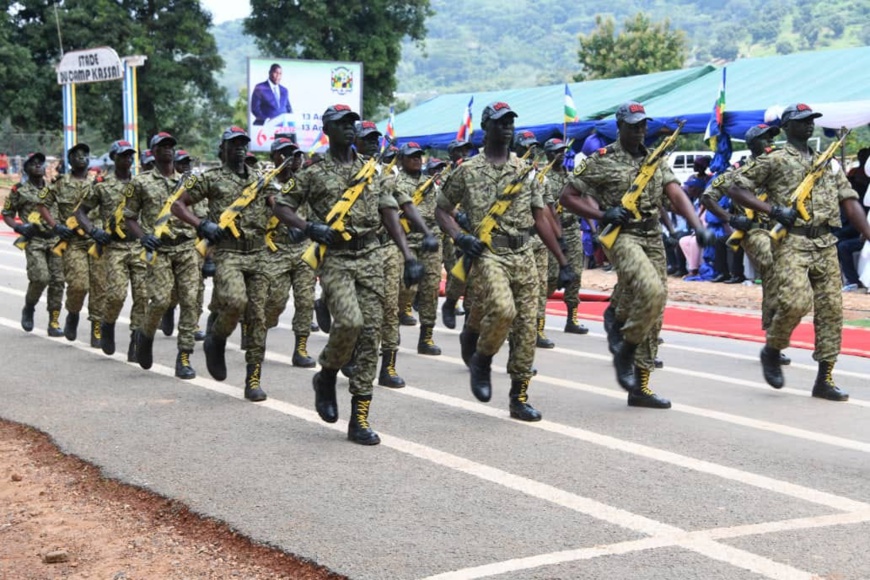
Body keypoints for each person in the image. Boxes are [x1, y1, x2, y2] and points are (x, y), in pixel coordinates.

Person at [271, 104, 423, 445]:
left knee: (371, 335)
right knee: (350, 323)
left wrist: (408, 254)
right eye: (343, 124)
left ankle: (359, 418)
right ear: (328, 130)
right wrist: (310, 227)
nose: (351, 128)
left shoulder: (372, 170)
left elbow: (389, 212)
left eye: (354, 122)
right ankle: (326, 374)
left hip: (370, 255)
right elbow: (282, 205)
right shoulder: (312, 172)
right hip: (336, 258)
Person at [560, 102, 713, 409]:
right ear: (620, 127)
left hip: (651, 235)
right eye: (633, 125)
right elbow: (567, 196)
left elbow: (674, 193)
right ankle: (627, 349)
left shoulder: (655, 159)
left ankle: (640, 385)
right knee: (650, 289)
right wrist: (602, 212)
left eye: (643, 125)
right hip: (621, 236)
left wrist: (697, 225)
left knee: (655, 308)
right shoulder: (601, 160)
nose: (640, 130)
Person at [436, 101, 577, 422]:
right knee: (502, 309)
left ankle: (519, 396)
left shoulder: (526, 171)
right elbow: (442, 210)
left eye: (511, 122)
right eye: (500, 122)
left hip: (524, 253)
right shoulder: (468, 170)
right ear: (486, 127)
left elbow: (540, 216)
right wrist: (459, 236)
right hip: (488, 253)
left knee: (527, 327)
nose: (508, 127)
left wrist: (562, 259)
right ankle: (482, 359)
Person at [728, 103, 870, 401]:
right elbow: (737, 188)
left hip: (825, 244)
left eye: (811, 121)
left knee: (832, 311)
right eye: (802, 121)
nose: (809, 125)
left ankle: (825, 379)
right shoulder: (774, 159)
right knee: (795, 301)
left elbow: (850, 200)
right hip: (791, 241)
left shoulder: (828, 163)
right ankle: (773, 348)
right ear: (787, 126)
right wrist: (773, 210)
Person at [171, 127, 272, 400]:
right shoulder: (210, 179)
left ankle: (253, 380)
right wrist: (202, 224)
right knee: (236, 301)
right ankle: (216, 338)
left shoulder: (260, 180)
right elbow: (177, 206)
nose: (239, 148)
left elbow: (279, 204)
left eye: (243, 144)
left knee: (257, 317)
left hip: (259, 254)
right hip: (228, 253)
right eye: (233, 144)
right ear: (223, 149)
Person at [701, 123, 792, 366]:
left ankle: (775, 338)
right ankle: (773, 340)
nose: (769, 143)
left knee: (785, 281)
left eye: (771, 139)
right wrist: (730, 218)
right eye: (764, 139)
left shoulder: (780, 167)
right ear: (752, 144)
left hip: (782, 230)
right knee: (774, 270)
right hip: (755, 232)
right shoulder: (737, 172)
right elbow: (707, 197)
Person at [124, 132, 200, 379]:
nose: (168, 150)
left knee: (190, 301)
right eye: (162, 146)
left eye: (171, 146)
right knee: (160, 301)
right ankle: (144, 335)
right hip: (159, 250)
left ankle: (184, 357)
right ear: (153, 152)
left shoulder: (188, 182)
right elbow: (129, 217)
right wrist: (143, 237)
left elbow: (199, 213)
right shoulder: (141, 182)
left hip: (186, 248)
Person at [74, 140, 147, 362]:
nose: (127, 159)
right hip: (114, 247)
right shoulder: (101, 185)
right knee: (116, 295)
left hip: (138, 245)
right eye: (123, 155)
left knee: (143, 295)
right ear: (114, 158)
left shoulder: (141, 184)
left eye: (130, 155)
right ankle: (107, 325)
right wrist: (93, 231)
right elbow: (80, 212)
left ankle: (136, 340)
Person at [37, 143, 105, 347]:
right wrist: (56, 226)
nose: (82, 158)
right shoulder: (59, 183)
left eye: (85, 155)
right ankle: (73, 313)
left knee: (100, 286)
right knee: (78, 284)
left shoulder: (99, 182)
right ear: (70, 160)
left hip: (96, 239)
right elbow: (42, 205)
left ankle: (97, 327)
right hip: (73, 241)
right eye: (77, 155)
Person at [383, 142, 443, 360]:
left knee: (431, 287)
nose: (417, 159)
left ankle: (426, 336)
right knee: (402, 286)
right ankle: (392, 324)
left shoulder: (433, 183)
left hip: (429, 237)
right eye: (412, 156)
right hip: (404, 238)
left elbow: (441, 209)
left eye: (419, 156)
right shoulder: (393, 181)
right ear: (401, 159)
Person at [262, 137, 317, 368]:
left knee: (306, 301)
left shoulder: (305, 181)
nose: (290, 159)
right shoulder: (266, 182)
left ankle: (301, 348)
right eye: (283, 154)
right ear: (274, 157)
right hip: (277, 249)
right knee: (276, 300)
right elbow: (276, 204)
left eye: (294, 154)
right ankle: (261, 329)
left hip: (302, 248)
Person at [2, 152, 65, 336]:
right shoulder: (19, 190)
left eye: (40, 163)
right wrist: (18, 227)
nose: (38, 165)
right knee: (40, 278)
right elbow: (7, 213)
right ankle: (29, 306)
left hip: (55, 239)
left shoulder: (54, 187)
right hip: (34, 239)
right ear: (26, 168)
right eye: (33, 163)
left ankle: (54, 322)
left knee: (58, 281)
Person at [544, 138, 589, 335]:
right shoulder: (542, 178)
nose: (560, 154)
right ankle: (537, 317)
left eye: (563, 151)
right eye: (556, 151)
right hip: (551, 233)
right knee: (551, 277)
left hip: (571, 229)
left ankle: (572, 319)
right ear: (547, 154)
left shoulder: (571, 178)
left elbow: (583, 200)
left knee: (575, 275)